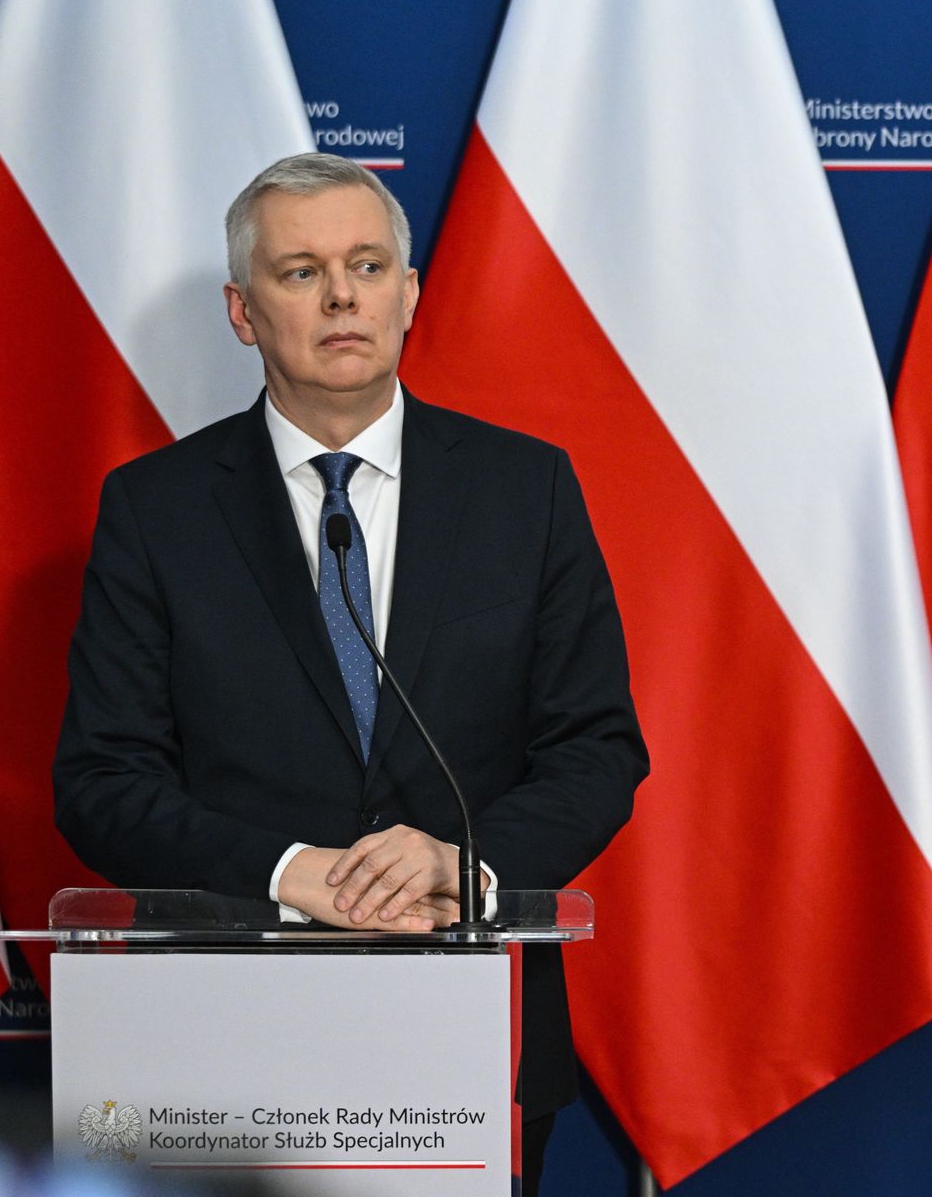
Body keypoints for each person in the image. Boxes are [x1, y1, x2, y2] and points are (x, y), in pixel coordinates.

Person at [53, 152, 647, 1194]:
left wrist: (463, 862)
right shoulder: (157, 510)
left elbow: (598, 752)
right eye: (300, 272)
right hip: (219, 1042)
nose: (341, 296)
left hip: (468, 1031)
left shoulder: (527, 490)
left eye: (369, 266)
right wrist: (291, 872)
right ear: (243, 311)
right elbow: (103, 781)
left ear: (408, 295)